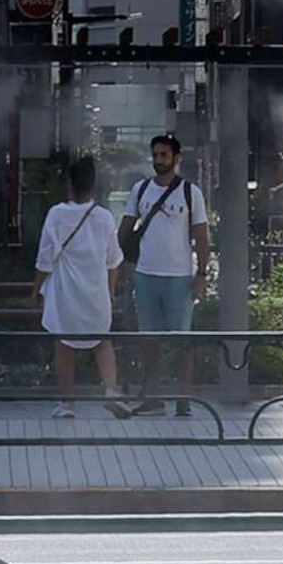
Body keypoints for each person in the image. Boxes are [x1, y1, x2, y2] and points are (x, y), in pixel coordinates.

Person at [109, 134, 211, 420]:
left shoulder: (191, 193)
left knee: (182, 340)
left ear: (176, 158)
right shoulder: (140, 190)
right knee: (150, 339)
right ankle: (152, 397)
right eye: (155, 155)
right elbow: (124, 230)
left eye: (164, 155)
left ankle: (183, 399)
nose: (158, 161)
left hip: (179, 277)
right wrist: (115, 267)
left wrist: (201, 273)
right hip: (145, 275)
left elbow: (202, 237)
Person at [35, 155, 122, 417]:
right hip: (96, 291)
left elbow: (45, 259)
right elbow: (114, 260)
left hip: (65, 292)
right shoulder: (104, 218)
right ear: (93, 185)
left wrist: (35, 288)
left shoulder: (57, 215)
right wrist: (110, 291)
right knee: (102, 341)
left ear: (70, 184)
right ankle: (111, 391)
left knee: (64, 344)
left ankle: (67, 403)